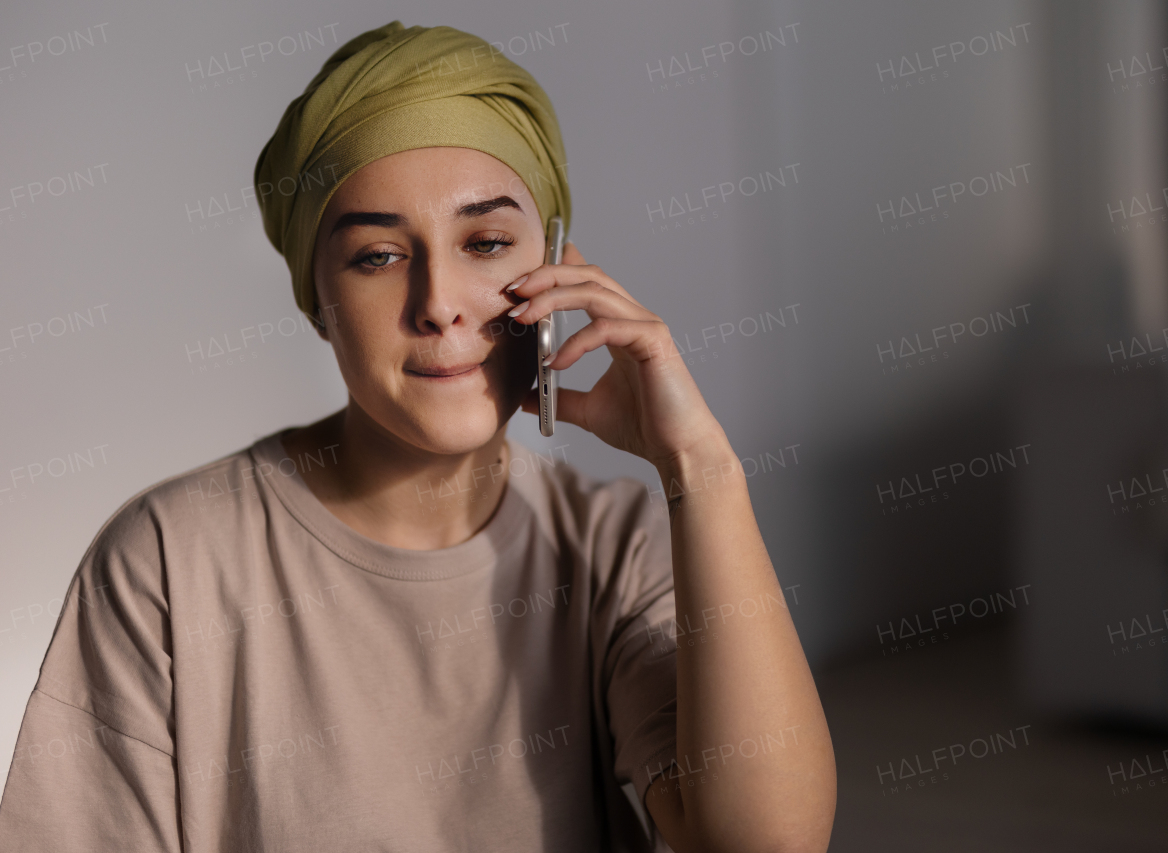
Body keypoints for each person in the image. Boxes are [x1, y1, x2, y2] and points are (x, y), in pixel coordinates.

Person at [0, 21, 835, 852]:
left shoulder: (612, 544)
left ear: (554, 265)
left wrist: (702, 469)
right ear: (315, 299)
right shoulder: (164, 562)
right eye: (377, 256)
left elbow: (763, 841)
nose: (439, 301)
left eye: (486, 242)